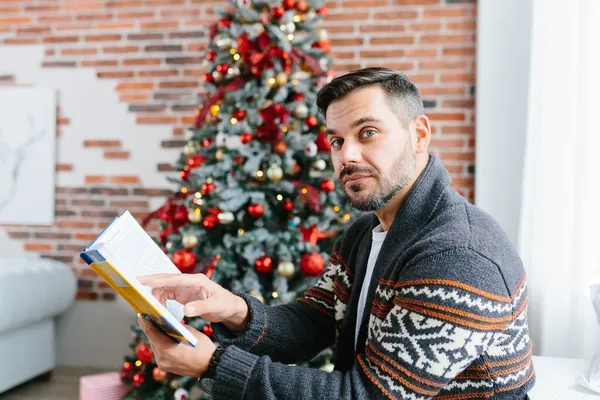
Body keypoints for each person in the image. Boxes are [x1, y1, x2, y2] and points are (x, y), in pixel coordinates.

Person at [138, 67, 535, 399]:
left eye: (367, 133)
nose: (346, 155)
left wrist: (213, 364)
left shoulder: (458, 255)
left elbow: (365, 396)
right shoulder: (365, 232)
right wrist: (233, 310)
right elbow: (316, 321)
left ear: (419, 135)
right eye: (336, 140)